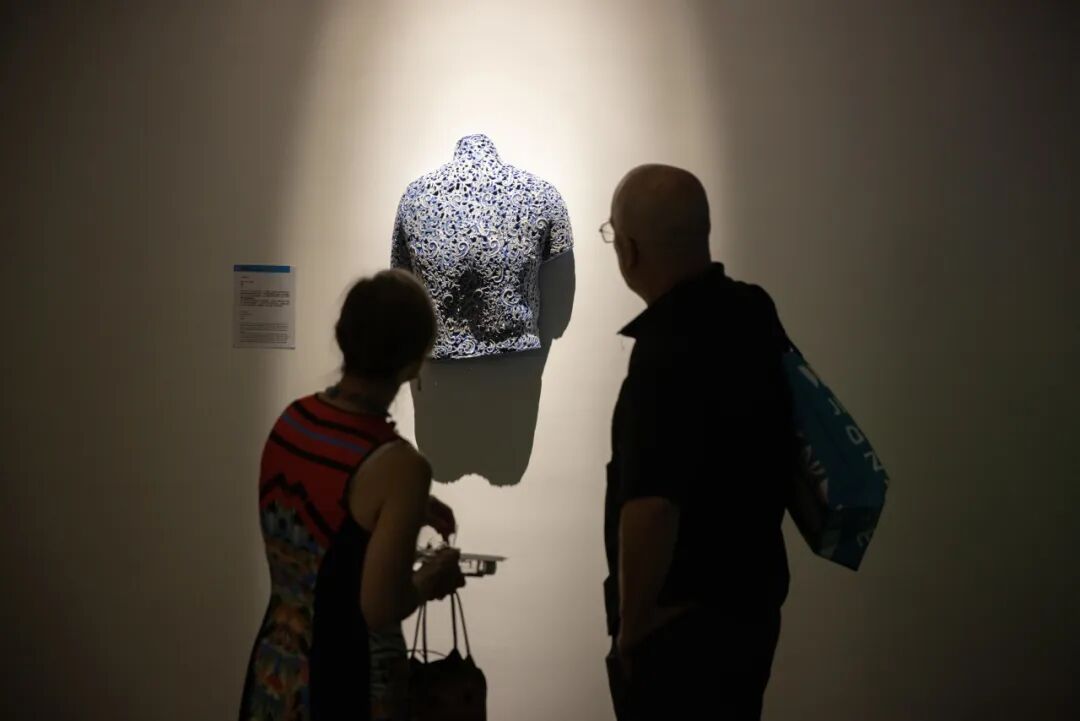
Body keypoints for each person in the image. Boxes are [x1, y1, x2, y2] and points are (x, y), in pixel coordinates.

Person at [601, 165, 796, 720]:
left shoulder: (663, 351)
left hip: (678, 632)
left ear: (629, 251)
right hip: (751, 612)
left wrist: (631, 629)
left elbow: (652, 507)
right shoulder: (753, 310)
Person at [239, 269, 466, 721]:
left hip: (276, 668)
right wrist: (432, 577)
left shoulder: (292, 421)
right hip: (343, 679)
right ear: (413, 364)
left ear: (343, 337)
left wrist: (405, 511)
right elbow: (381, 607)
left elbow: (326, 521)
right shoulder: (401, 467)